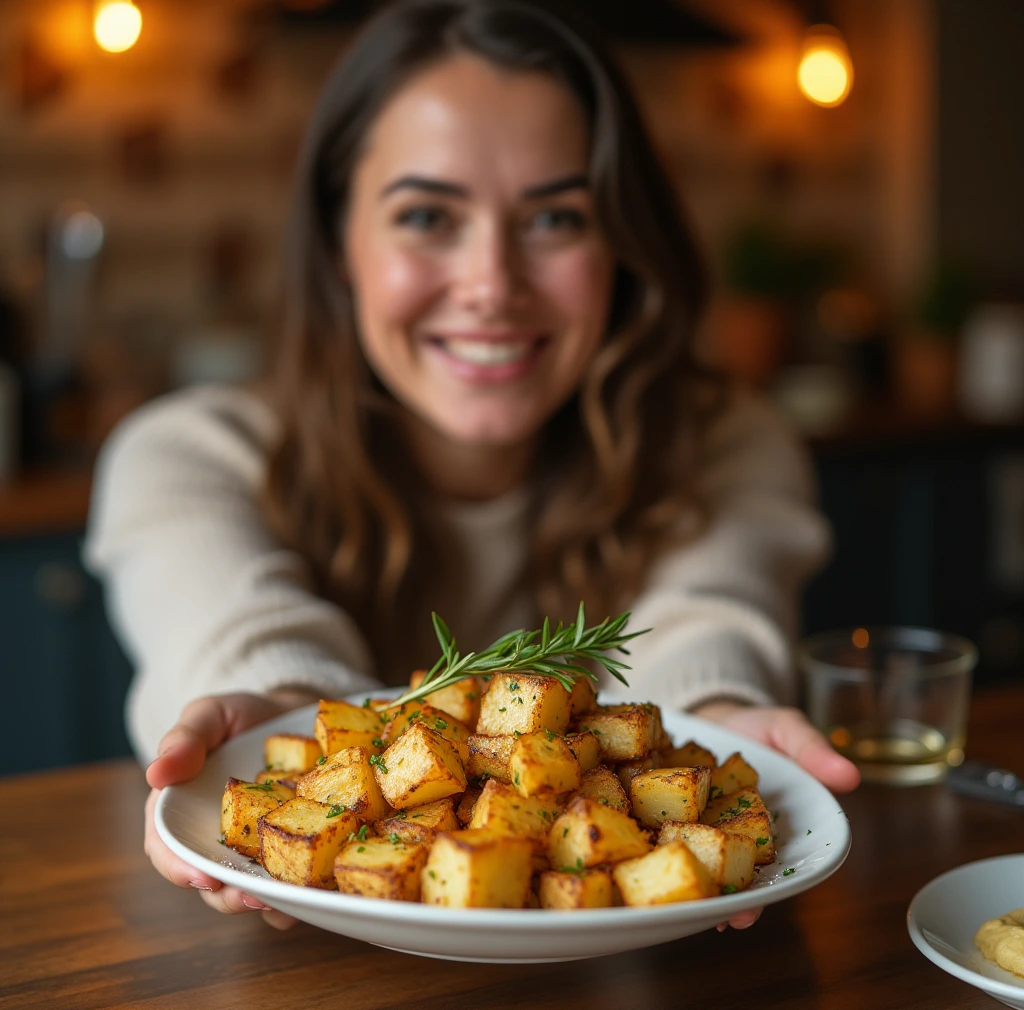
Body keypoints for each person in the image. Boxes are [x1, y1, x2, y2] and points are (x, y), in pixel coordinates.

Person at [85, 0, 859, 932]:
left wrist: (715, 714)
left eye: (557, 217)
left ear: (621, 243)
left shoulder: (732, 440)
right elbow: (241, 629)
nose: (492, 282)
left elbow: (705, 619)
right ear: (341, 244)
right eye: (426, 214)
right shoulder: (181, 457)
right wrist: (280, 716)